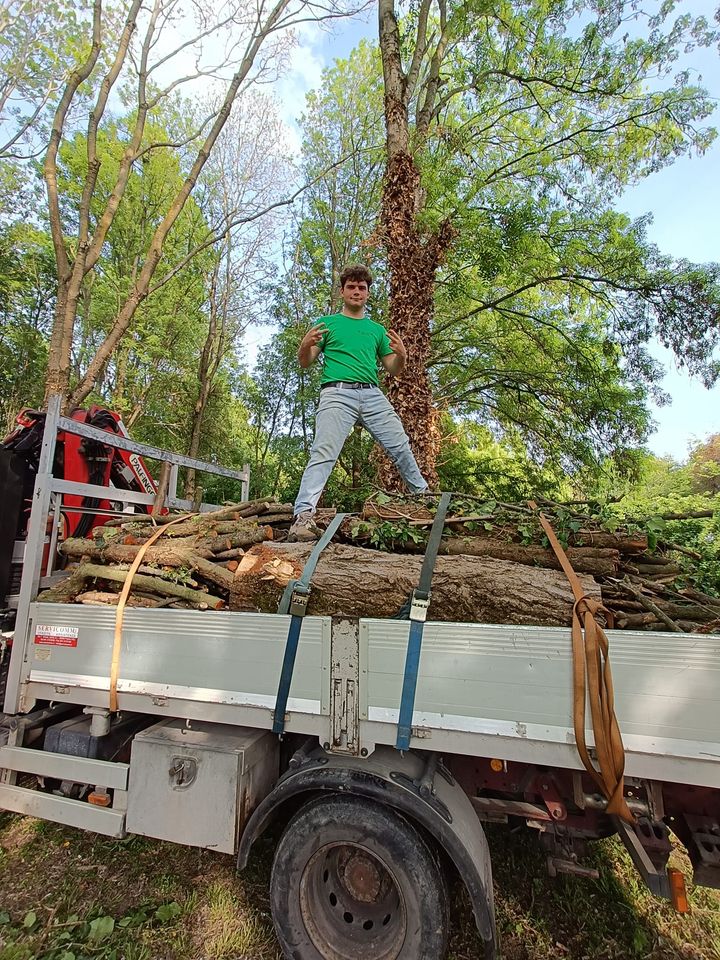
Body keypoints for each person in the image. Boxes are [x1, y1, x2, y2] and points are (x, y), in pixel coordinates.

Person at [288, 263, 429, 542]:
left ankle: (425, 501)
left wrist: (402, 355)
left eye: (361, 287)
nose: (356, 291)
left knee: (400, 444)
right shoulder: (327, 324)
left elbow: (393, 368)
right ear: (342, 292)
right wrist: (304, 344)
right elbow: (305, 362)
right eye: (351, 286)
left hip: (372, 394)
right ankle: (302, 516)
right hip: (337, 394)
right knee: (323, 452)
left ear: (367, 293)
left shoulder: (377, 330)